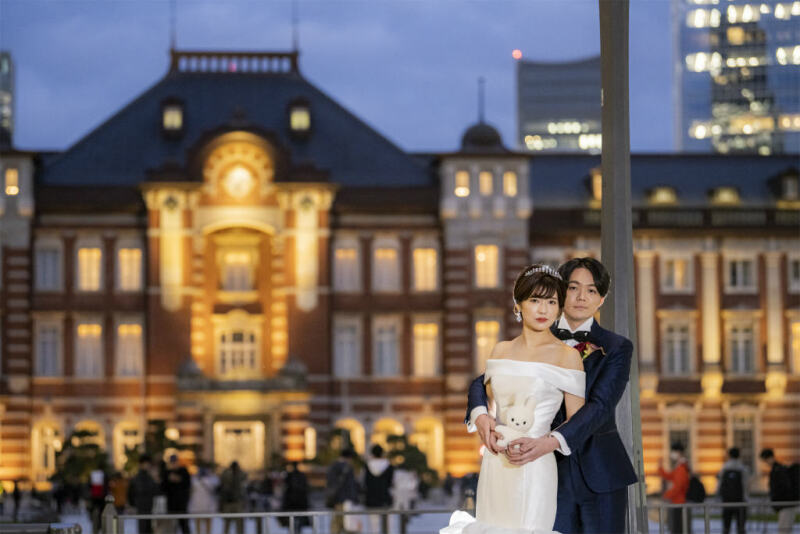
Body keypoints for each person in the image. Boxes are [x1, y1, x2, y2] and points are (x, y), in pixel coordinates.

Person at [456, 258, 637, 534]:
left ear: (601, 299)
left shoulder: (616, 347)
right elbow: (482, 382)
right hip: (545, 468)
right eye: (574, 288)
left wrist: (550, 442)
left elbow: (600, 406)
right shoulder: (530, 337)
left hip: (599, 470)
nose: (581, 297)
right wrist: (480, 415)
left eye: (591, 290)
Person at [442, 264, 586, 533]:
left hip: (535, 462)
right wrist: (481, 416)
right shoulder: (501, 350)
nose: (543, 310)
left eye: (551, 302)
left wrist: (546, 443)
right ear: (518, 304)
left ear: (559, 307)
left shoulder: (568, 356)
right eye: (534, 300)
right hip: (495, 462)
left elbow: (577, 422)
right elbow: (485, 398)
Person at [759, 448, 797, 534]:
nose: (765, 463)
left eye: (765, 460)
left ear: (769, 457)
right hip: (785, 504)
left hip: (785, 504)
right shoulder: (777, 469)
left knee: (784, 530)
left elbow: (784, 487)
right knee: (785, 530)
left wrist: (776, 497)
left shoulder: (778, 470)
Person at [658, 442, 691, 534]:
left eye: (673, 451)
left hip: (679, 502)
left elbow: (678, 487)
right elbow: (669, 476)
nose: (671, 454)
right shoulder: (679, 467)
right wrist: (660, 467)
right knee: (677, 528)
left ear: (678, 452)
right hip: (677, 501)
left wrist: (666, 495)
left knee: (678, 528)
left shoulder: (681, 468)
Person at [326, 448, 359, 534]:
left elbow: (330, 483)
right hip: (346, 500)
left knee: (337, 524)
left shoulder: (333, 466)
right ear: (349, 457)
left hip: (337, 500)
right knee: (349, 525)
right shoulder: (348, 467)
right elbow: (351, 486)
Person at [717, 447, 748, 534]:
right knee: (741, 525)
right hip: (740, 500)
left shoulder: (725, 467)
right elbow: (746, 485)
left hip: (727, 500)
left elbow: (719, 483)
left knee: (726, 525)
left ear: (729, 455)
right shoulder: (743, 468)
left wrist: (719, 496)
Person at [364, 445, 394, 534]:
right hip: (385, 498)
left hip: (371, 499)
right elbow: (391, 482)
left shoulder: (367, 466)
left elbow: (365, 483)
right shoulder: (389, 466)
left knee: (374, 526)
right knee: (388, 525)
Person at [128, 454, 160, 534]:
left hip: (150, 506)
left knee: (148, 528)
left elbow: (157, 491)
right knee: (143, 528)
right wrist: (132, 505)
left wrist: (156, 481)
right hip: (142, 506)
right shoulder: (139, 477)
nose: (148, 466)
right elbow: (133, 492)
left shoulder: (150, 476)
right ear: (142, 464)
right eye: (147, 464)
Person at [163, 454, 191, 534]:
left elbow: (188, 484)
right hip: (171, 504)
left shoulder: (184, 471)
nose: (174, 464)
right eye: (172, 462)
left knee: (184, 525)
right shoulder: (167, 472)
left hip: (182, 504)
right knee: (171, 527)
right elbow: (163, 487)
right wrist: (169, 480)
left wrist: (179, 479)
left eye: (175, 462)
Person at [279, 462, 310, 533]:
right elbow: (306, 489)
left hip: (291, 504)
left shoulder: (289, 476)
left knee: (291, 523)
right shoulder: (302, 476)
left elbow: (285, 489)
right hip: (300, 504)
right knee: (299, 523)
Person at [188, 465, 219, 534]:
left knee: (198, 525)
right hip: (208, 506)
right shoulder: (211, 481)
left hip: (197, 506)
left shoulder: (194, 482)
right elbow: (217, 483)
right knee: (208, 524)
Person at [219, 461, 248, 534]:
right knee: (228, 523)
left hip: (236, 501)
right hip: (230, 501)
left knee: (239, 523)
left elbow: (244, 477)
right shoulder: (227, 474)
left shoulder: (239, 474)